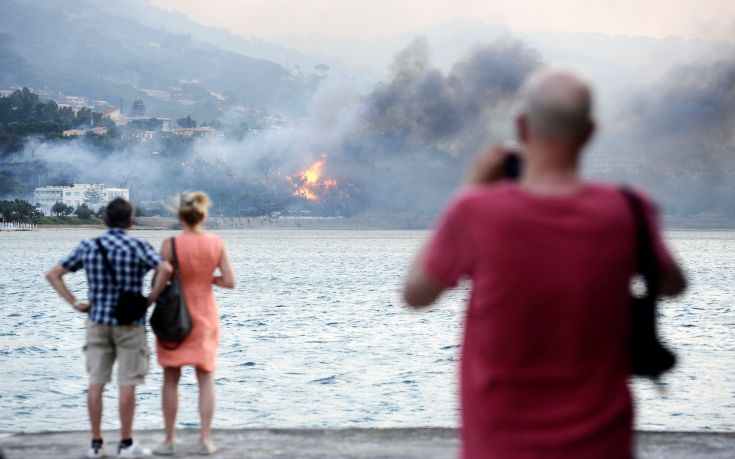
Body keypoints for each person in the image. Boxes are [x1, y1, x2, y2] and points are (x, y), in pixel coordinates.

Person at [403, 69, 687, 459]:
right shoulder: (628, 209)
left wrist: (469, 189)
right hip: (603, 445)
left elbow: (416, 294)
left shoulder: (476, 211)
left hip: (498, 447)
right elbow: (674, 284)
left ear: (521, 128)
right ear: (589, 133)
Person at [46, 198, 173, 458]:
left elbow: (54, 274)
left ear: (104, 220)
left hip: (98, 321)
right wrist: (150, 298)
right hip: (131, 323)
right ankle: (126, 444)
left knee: (96, 383)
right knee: (127, 383)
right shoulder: (138, 245)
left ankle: (96, 444)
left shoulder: (90, 246)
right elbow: (166, 268)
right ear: (130, 222)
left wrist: (75, 303)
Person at [153, 192, 235, 456]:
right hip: (205, 317)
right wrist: (208, 279)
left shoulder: (169, 245)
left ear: (180, 216)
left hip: (174, 316)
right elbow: (230, 281)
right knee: (206, 378)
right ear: (203, 216)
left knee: (170, 378)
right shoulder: (216, 243)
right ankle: (205, 440)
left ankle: (169, 440)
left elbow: (160, 281)